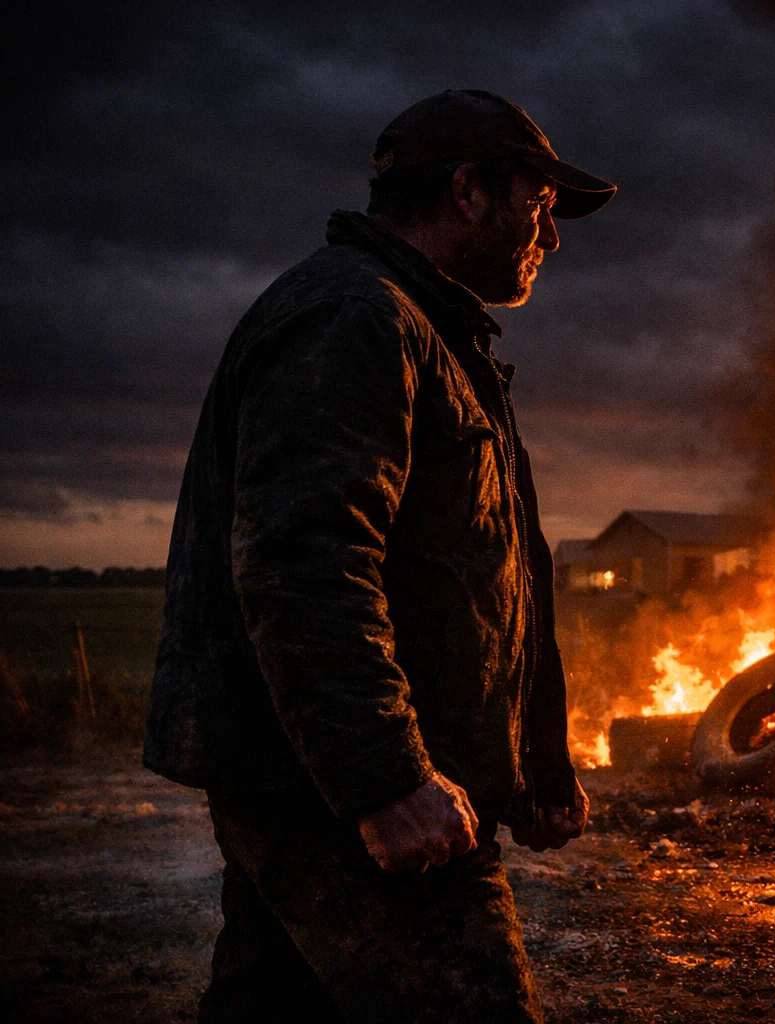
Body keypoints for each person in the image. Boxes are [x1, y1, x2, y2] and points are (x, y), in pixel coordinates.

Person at [141, 89, 616, 1022]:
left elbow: (471, 575)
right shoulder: (354, 319)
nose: (551, 240)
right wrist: (385, 779)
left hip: (336, 776)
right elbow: (306, 564)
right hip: (339, 787)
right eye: (541, 207)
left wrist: (533, 767)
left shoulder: (419, 326)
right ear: (470, 191)